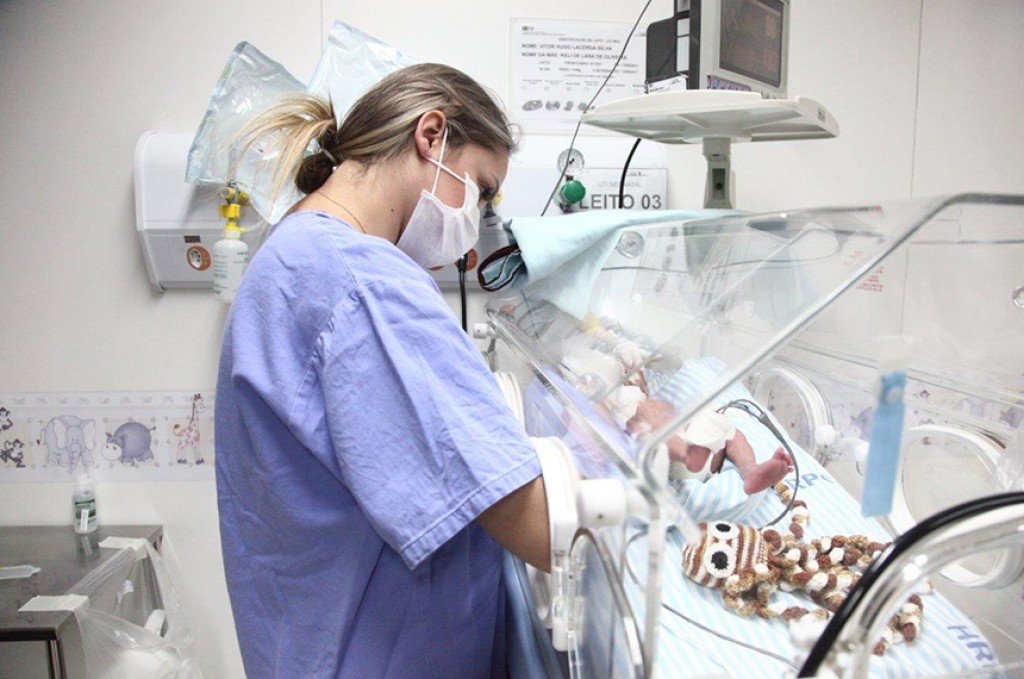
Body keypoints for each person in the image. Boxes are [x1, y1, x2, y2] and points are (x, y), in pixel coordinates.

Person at [214, 63, 550, 679]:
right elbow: (535, 524)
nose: (475, 220)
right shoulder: (361, 283)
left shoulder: (292, 254)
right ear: (432, 136)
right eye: (481, 189)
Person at [627, 397, 792, 494]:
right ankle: (749, 469)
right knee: (733, 435)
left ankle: (751, 471)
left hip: (698, 451)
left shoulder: (648, 404)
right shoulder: (637, 407)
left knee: (732, 433)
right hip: (678, 458)